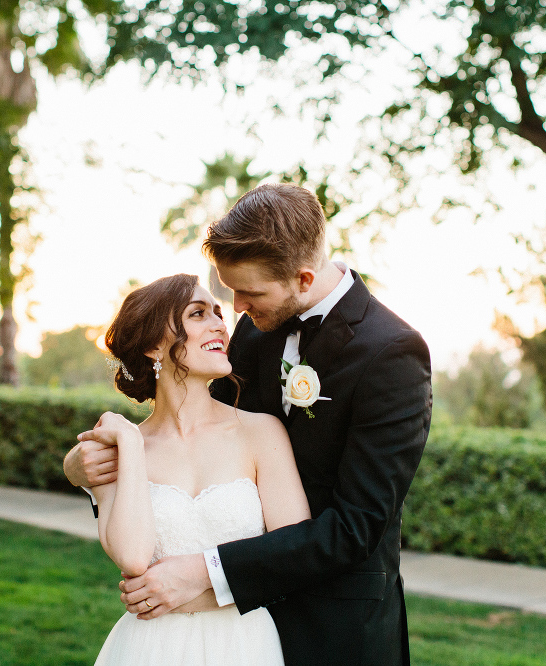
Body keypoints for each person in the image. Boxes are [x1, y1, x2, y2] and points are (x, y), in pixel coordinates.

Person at [65, 183, 432, 665]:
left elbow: (356, 526)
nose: (235, 307)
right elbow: (189, 426)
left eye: (247, 292)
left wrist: (203, 575)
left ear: (303, 278)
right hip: (221, 624)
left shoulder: (391, 352)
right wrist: (83, 468)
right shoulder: (256, 332)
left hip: (335, 626)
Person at [83, 272, 311, 666]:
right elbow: (134, 559)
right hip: (149, 650)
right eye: (198, 314)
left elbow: (296, 556)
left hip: (245, 646)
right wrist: (133, 446)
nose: (220, 324)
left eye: (218, 313)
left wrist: (201, 592)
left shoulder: (260, 432)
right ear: (155, 345)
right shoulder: (119, 452)